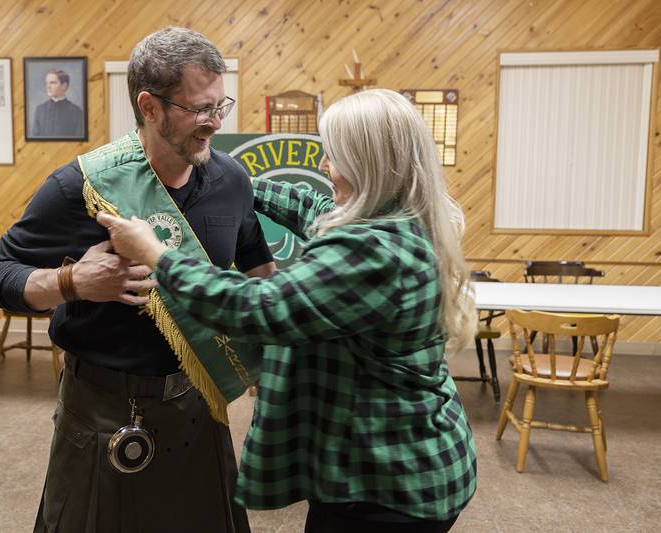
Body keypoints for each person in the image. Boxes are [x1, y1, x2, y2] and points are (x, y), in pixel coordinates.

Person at [97, 88, 479, 533]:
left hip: (388, 484)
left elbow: (257, 306)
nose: (323, 166)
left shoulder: (375, 249)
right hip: (402, 463)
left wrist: (155, 254)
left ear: (369, 165)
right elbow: (312, 206)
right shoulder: (397, 217)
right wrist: (234, 180)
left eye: (334, 156)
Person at [0, 27, 274, 533]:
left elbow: (256, 265)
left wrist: (265, 354)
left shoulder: (232, 180)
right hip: (100, 407)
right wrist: (71, 282)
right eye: (198, 109)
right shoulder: (80, 186)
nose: (214, 123)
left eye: (219, 105)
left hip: (198, 403)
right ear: (150, 106)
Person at [31, 69, 84, 138]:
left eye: (52, 83)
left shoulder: (76, 111)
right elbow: (35, 140)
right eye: (47, 83)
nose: (48, 86)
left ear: (64, 86)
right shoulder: (40, 110)